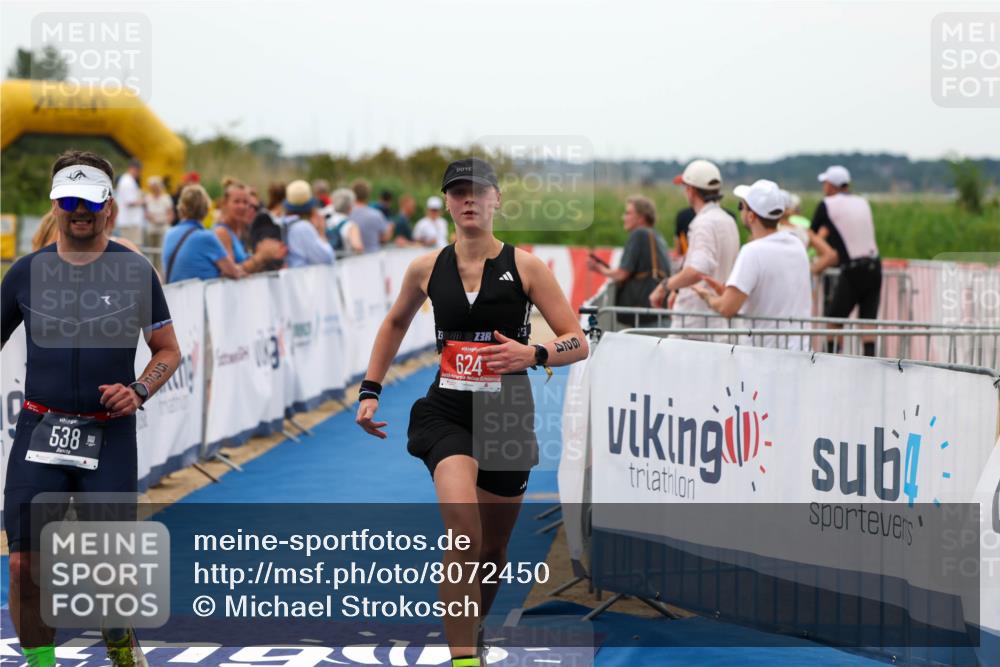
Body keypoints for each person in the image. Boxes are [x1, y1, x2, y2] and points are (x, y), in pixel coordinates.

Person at [356, 157, 588, 667]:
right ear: (446, 202)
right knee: (464, 531)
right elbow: (394, 323)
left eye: (478, 191)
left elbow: (578, 341)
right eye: (457, 192)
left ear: (496, 199)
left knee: (491, 550)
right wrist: (370, 388)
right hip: (447, 411)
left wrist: (536, 354)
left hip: (506, 414)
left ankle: (474, 628)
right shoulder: (426, 268)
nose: (468, 200)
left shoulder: (527, 267)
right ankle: (463, 659)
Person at [1, 150, 181, 667]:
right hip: (40, 430)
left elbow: (167, 351)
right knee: (22, 564)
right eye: (69, 200)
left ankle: (118, 632)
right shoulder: (24, 274)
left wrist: (139, 390)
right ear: (55, 205)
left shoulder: (134, 271)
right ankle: (40, 662)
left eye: (91, 200)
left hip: (110, 435)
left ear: (108, 207)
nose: (80, 210)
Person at [693, 179, 812, 350]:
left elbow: (727, 308)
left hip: (764, 356)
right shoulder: (796, 245)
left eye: (742, 206)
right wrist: (728, 294)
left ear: (751, 216)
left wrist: (708, 297)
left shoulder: (752, 251)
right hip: (799, 351)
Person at [648, 159, 740, 334]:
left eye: (685, 188)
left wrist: (665, 287)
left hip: (695, 321)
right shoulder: (728, 220)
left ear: (691, 190)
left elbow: (697, 269)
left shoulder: (703, 223)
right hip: (715, 320)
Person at [812, 165, 882, 355]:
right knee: (868, 322)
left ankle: (831, 359)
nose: (823, 187)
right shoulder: (862, 201)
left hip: (853, 268)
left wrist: (824, 258)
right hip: (875, 265)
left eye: (825, 183)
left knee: (834, 319)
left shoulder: (827, 204)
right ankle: (870, 362)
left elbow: (813, 234)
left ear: (831, 185)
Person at [587, 195, 671, 326]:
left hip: (644, 312)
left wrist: (599, 268)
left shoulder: (639, 234)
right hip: (659, 311)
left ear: (641, 217)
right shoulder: (657, 235)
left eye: (628, 213)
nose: (624, 217)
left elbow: (622, 274)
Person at [161, 185, 246, 282]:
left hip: (175, 294)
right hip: (200, 294)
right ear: (206, 210)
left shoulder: (169, 234)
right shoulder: (206, 237)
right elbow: (233, 272)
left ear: (181, 208)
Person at [214, 179, 286, 273]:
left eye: (245, 202)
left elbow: (248, 270)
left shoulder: (242, 231)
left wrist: (268, 256)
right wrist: (261, 256)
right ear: (225, 204)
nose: (242, 206)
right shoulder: (222, 232)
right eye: (237, 202)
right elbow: (230, 273)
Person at [281, 180, 335, 267]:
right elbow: (326, 258)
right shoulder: (302, 227)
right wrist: (321, 233)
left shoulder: (284, 223)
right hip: (303, 278)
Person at [351, 179, 393, 252]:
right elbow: (384, 238)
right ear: (368, 194)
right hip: (372, 256)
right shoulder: (376, 215)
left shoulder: (346, 214)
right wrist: (391, 227)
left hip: (351, 258)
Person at [143, 175, 174, 270]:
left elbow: (170, 215)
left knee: (161, 252)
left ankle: (160, 271)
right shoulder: (148, 198)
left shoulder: (166, 198)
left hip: (163, 229)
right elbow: (146, 213)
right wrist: (151, 217)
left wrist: (162, 220)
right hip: (151, 229)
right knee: (151, 252)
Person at [114, 158, 144, 245]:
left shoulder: (128, 180)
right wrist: (143, 201)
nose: (139, 173)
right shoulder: (127, 182)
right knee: (132, 248)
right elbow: (130, 202)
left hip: (129, 222)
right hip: (130, 223)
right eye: (139, 170)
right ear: (134, 168)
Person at [327, 187, 363, 254]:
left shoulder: (326, 221)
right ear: (350, 206)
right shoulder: (350, 225)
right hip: (346, 262)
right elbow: (357, 247)